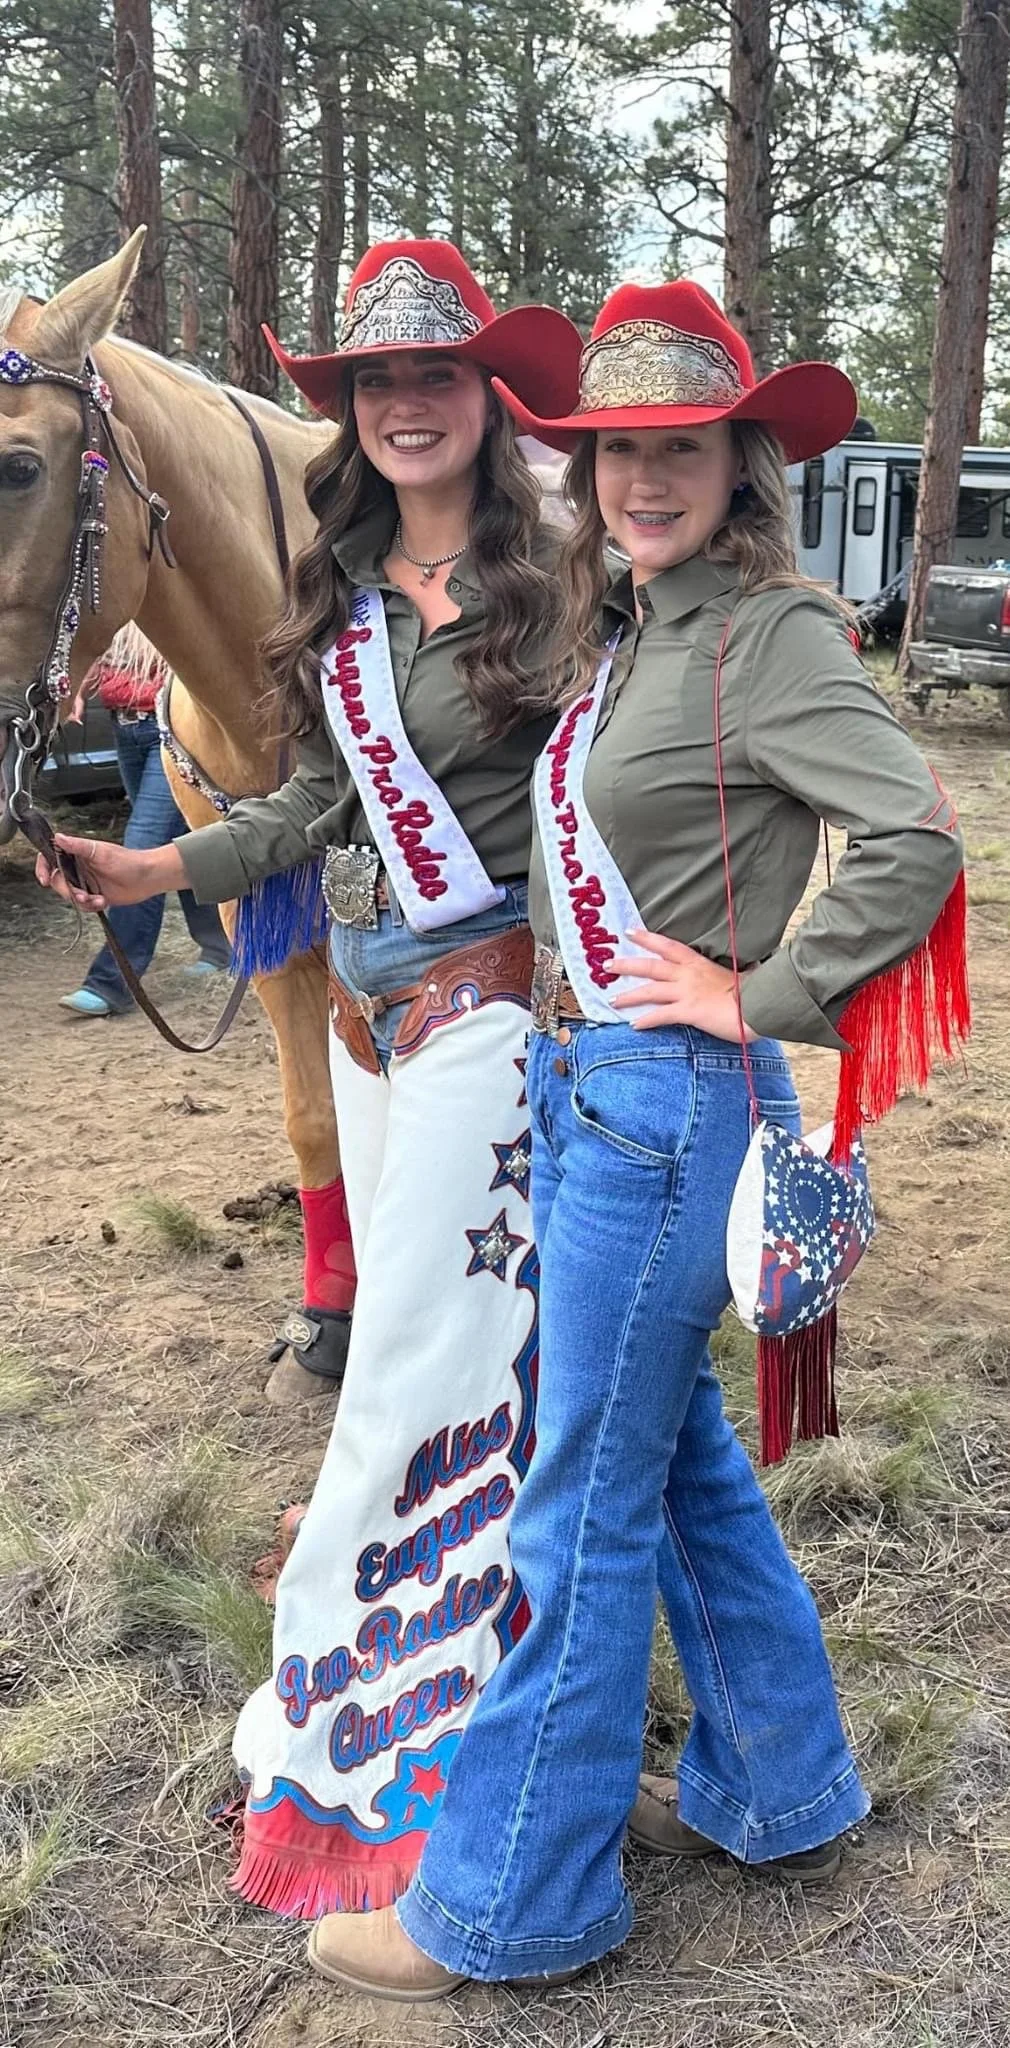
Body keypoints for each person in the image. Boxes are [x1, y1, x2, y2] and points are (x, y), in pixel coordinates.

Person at [305, 280, 968, 1997]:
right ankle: (781, 1782)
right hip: (592, 1089)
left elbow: (914, 838)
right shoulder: (632, 628)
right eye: (614, 453)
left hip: (664, 1107)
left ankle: (506, 1902)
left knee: (577, 1505)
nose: (644, 479)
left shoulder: (769, 635)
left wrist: (769, 992)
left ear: (741, 461)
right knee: (669, 1465)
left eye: (680, 447)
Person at [35, 238, 584, 1917]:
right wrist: (160, 868)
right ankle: (503, 1630)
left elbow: (627, 785)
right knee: (452, 1360)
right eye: (374, 383)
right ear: (349, 411)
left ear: (484, 397)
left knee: (413, 1363)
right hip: (361, 1012)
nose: (405, 405)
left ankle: (386, 1737)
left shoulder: (561, 578)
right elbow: (321, 807)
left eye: (434, 376)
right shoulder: (340, 586)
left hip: (491, 1008)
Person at [59, 625, 230, 1015]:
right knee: (178, 836)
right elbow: (95, 646)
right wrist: (77, 691)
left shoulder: (159, 598)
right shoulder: (115, 606)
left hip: (168, 728)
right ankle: (220, 944)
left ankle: (111, 983)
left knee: (143, 843)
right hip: (126, 727)